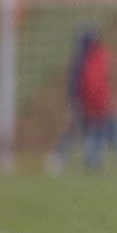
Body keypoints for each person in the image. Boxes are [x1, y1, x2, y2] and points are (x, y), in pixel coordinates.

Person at [79, 31, 117, 172]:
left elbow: (88, 85)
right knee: (111, 133)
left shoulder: (89, 59)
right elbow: (112, 78)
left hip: (98, 104)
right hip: (103, 104)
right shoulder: (103, 57)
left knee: (99, 133)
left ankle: (95, 161)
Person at [47, 29, 97, 174]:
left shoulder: (81, 59)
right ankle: (60, 158)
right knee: (74, 132)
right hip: (81, 103)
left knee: (79, 132)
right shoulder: (82, 60)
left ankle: (74, 160)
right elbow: (76, 85)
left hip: (83, 103)